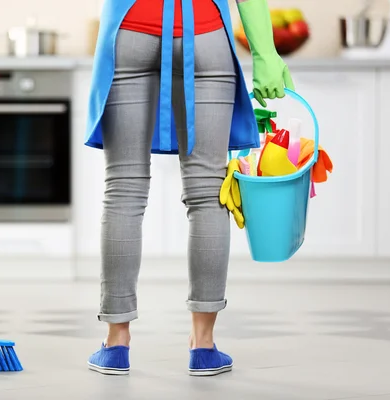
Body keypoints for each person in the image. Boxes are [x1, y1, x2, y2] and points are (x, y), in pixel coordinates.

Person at [84, 0, 294, 376]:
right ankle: (204, 345)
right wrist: (266, 54)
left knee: (124, 190)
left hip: (130, 28)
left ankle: (116, 344)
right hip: (204, 32)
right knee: (208, 192)